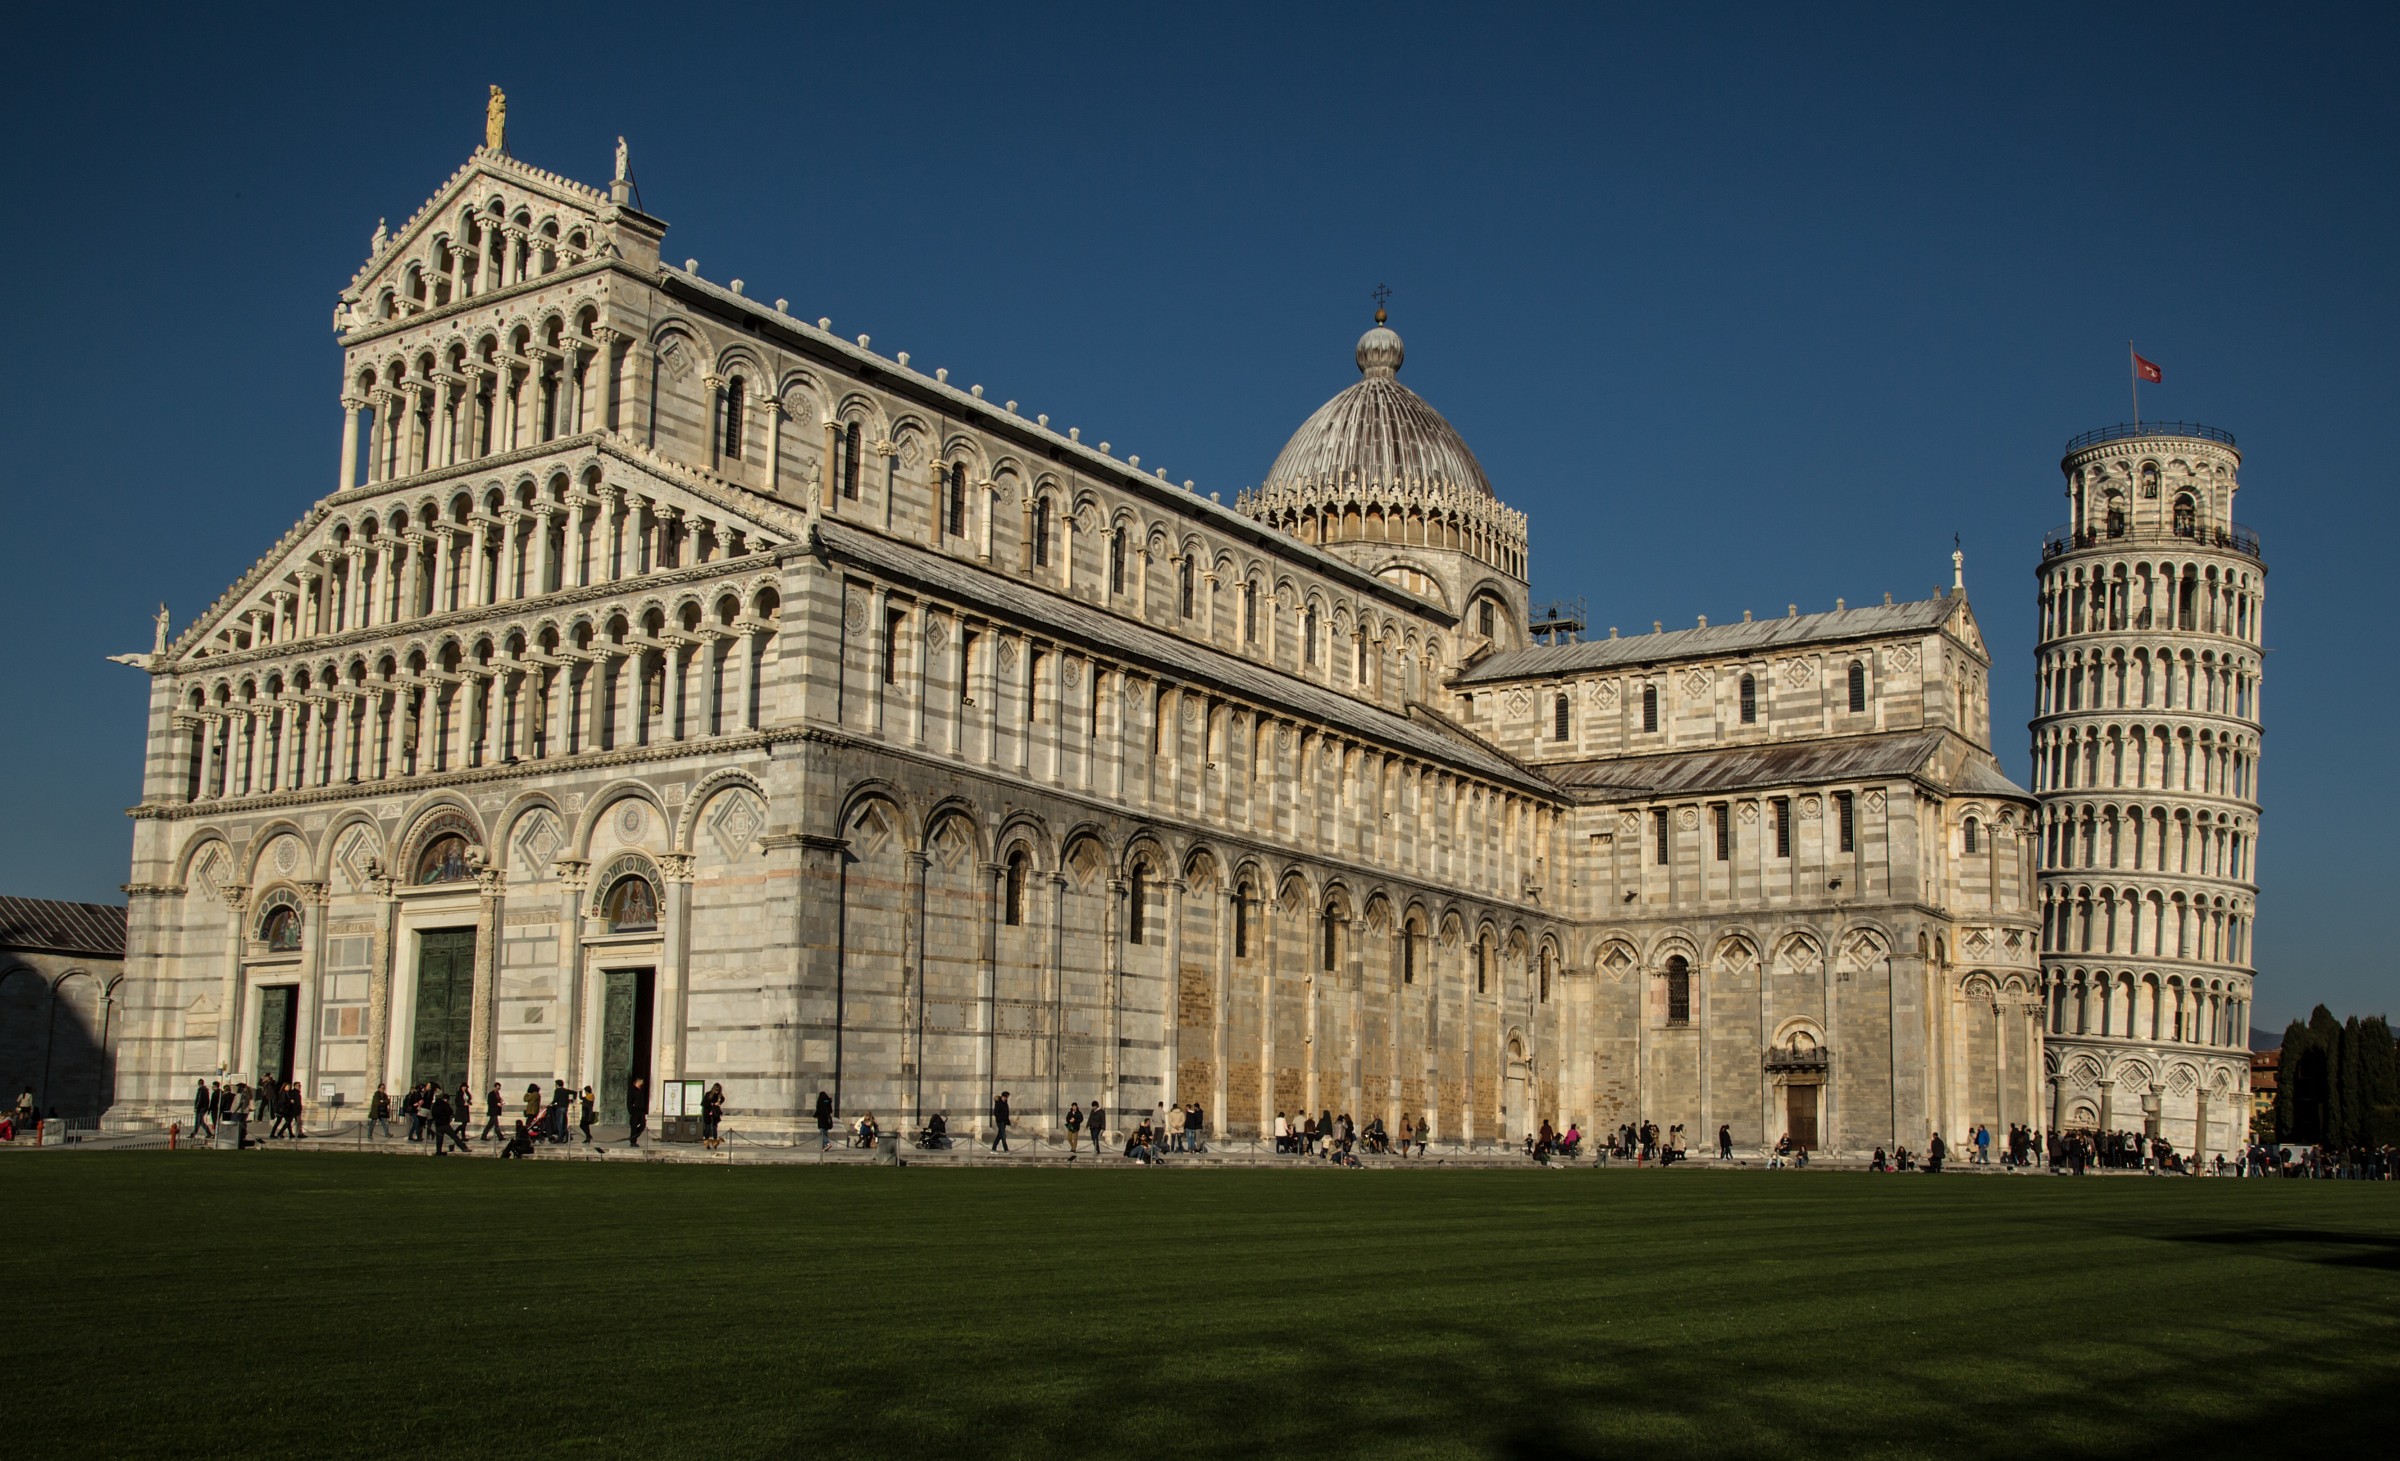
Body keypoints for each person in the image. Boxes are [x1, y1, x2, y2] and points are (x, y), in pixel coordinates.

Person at [429, 1089, 454, 1156]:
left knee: (439, 1139)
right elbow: (449, 1112)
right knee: (454, 1137)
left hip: (439, 1123)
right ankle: (463, 1148)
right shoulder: (444, 1105)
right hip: (444, 1124)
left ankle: (438, 1151)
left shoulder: (436, 1105)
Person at [626, 1076, 648, 1148]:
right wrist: (631, 1111)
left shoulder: (641, 1090)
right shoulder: (632, 1090)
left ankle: (634, 1136)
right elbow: (629, 1101)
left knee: (643, 1125)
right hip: (635, 1111)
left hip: (641, 1110)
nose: (642, 1082)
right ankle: (633, 1141)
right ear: (637, 1081)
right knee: (634, 1126)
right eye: (641, 1081)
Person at [703, 1083, 725, 1151]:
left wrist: (719, 1103)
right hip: (708, 1112)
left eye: (718, 1090)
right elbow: (703, 1103)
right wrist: (712, 1104)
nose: (717, 1092)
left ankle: (715, 1143)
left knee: (715, 1127)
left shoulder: (719, 1095)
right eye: (716, 1090)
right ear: (713, 1089)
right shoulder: (708, 1094)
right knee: (708, 1127)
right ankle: (706, 1143)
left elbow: (723, 1099)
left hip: (715, 1113)